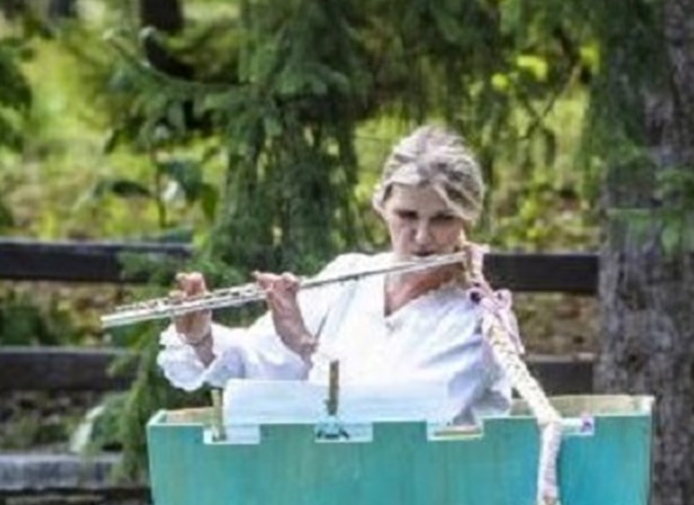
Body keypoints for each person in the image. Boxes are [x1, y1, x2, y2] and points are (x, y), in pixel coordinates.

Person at [156, 123, 513, 423]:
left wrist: (306, 345)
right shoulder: (350, 275)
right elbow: (258, 362)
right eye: (407, 215)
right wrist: (201, 337)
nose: (421, 236)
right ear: (381, 205)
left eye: (442, 219)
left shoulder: (478, 319)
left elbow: (398, 417)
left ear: (469, 219)